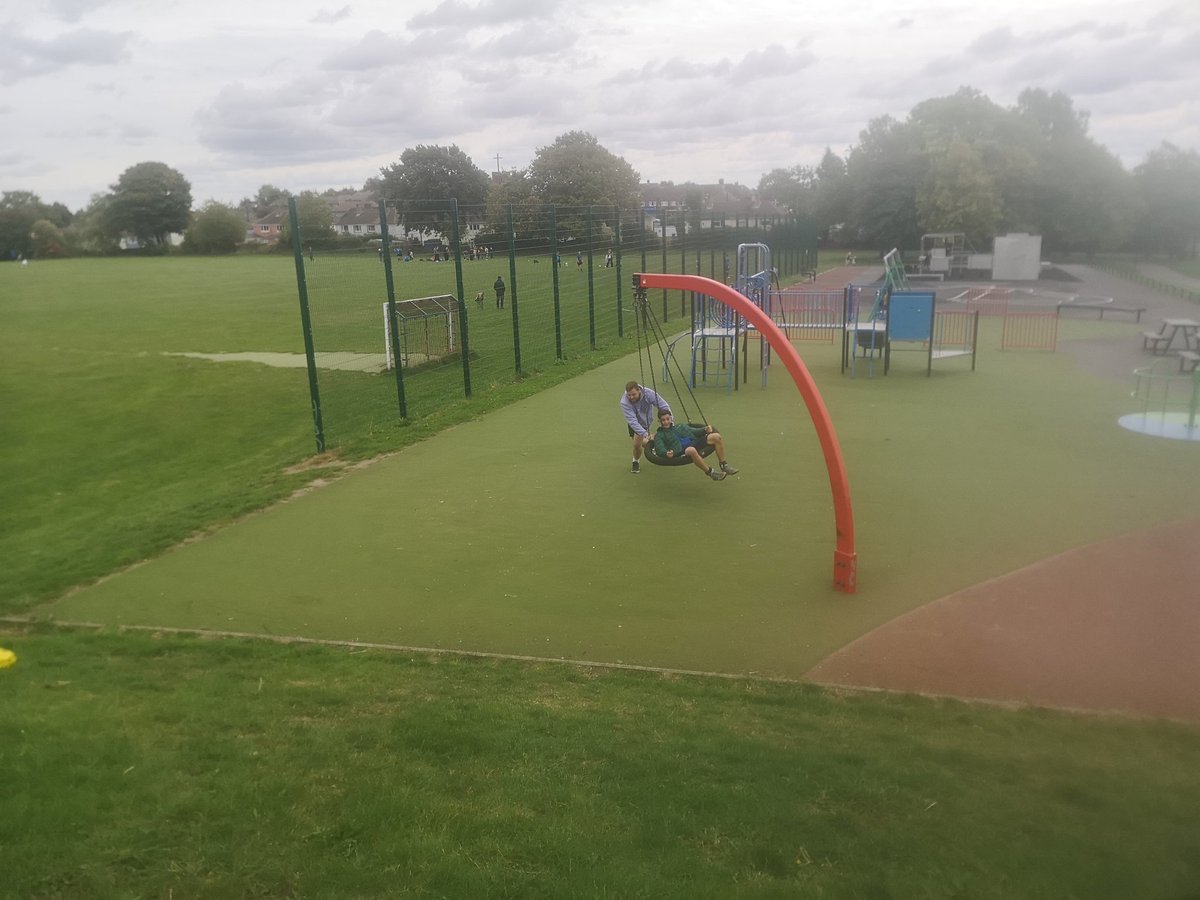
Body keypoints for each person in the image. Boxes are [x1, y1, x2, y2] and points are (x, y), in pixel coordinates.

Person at [652, 410, 739, 481]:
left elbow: (694, 431)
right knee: (691, 450)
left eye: (668, 419)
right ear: (660, 421)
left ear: (671, 419)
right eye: (663, 420)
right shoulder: (660, 435)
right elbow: (659, 449)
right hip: (682, 450)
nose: (666, 422)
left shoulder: (680, 426)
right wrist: (666, 453)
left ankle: (724, 465)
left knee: (716, 437)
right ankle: (711, 473)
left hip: (695, 442)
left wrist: (705, 430)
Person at [619, 381, 671, 475]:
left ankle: (650, 449)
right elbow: (632, 421)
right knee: (637, 444)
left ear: (639, 390)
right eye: (629, 395)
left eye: (633, 394)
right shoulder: (624, 402)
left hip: (646, 420)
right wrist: (646, 434)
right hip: (635, 422)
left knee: (637, 443)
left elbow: (663, 405)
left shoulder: (648, 393)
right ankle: (652, 448)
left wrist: (670, 422)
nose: (631, 397)